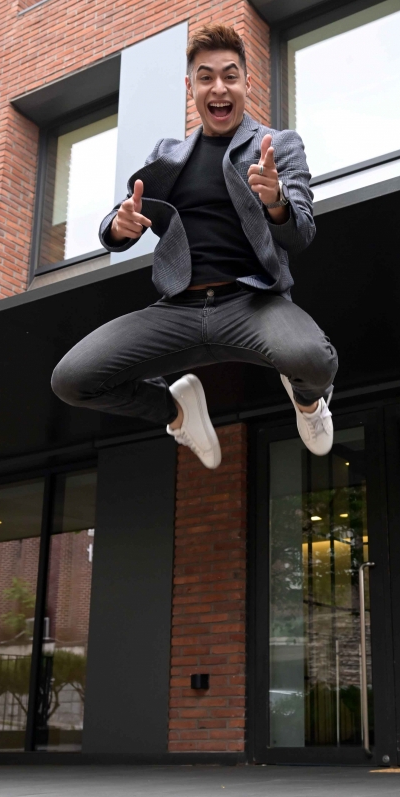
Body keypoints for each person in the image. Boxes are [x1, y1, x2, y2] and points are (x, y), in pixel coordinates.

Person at [51, 24, 338, 469]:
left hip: (252, 303)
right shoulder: (167, 154)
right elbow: (121, 215)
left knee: (312, 360)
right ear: (191, 87)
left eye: (229, 75)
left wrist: (275, 200)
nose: (219, 88)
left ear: (246, 82)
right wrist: (119, 226)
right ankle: (178, 410)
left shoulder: (278, 146)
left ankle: (308, 404)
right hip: (178, 311)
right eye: (206, 77)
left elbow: (301, 233)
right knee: (72, 379)